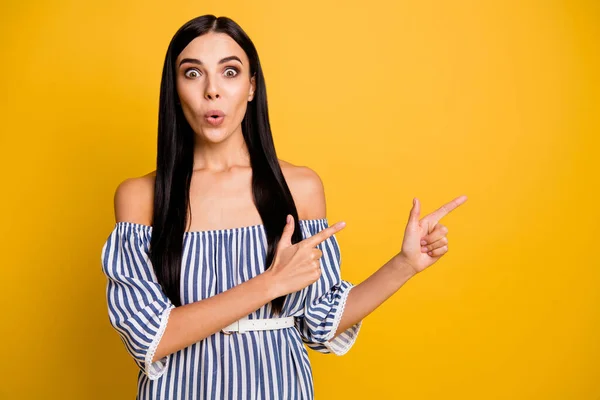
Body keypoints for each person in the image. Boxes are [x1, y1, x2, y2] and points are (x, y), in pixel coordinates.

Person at [100, 14, 467, 400]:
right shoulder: (141, 196)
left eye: (230, 72)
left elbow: (320, 322)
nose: (212, 90)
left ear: (252, 86)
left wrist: (405, 264)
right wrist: (269, 284)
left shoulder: (299, 188)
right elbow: (149, 338)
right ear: (175, 89)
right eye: (193, 74)